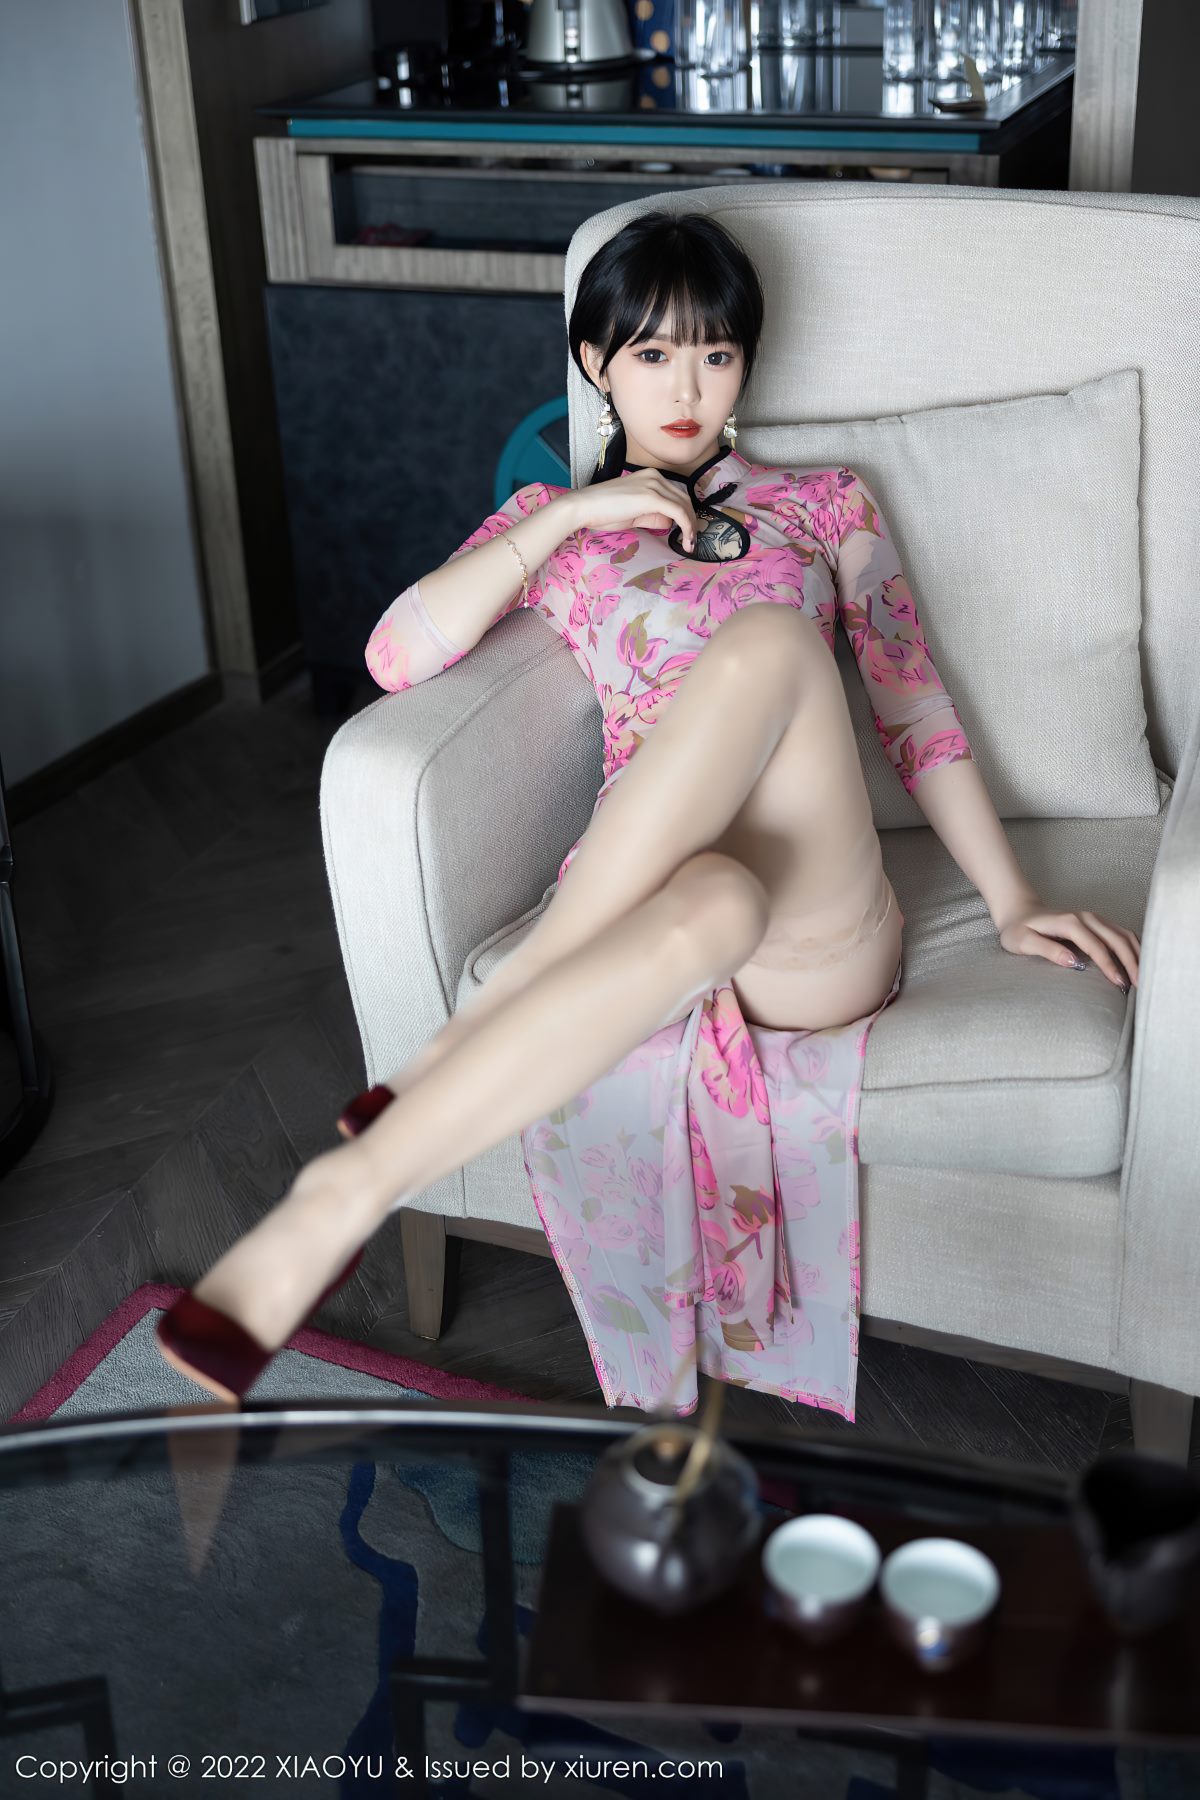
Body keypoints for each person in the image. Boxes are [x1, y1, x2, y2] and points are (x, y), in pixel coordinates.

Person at [156, 211, 1140, 1417]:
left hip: (818, 924)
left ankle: (471, 1036)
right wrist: (566, 518)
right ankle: (337, 1202)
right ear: (596, 363)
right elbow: (393, 656)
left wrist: (1013, 899)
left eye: (716, 355)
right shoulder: (554, 530)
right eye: (655, 354)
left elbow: (912, 704)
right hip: (659, 900)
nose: (686, 388)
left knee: (770, 645)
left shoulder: (826, 505)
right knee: (712, 895)